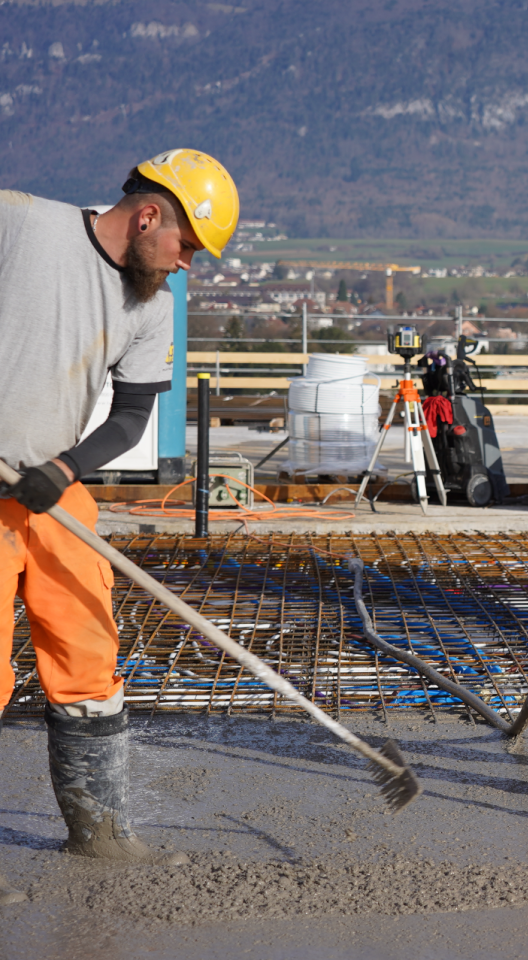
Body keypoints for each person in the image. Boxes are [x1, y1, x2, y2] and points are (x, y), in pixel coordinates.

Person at [0, 150, 239, 890]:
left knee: (87, 651)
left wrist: (64, 471)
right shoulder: (21, 226)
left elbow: (133, 415)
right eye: (187, 246)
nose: (187, 264)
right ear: (147, 216)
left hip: (47, 487)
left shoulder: (152, 304)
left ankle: (98, 830)